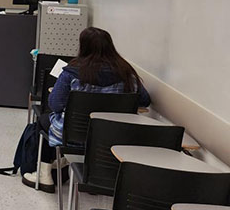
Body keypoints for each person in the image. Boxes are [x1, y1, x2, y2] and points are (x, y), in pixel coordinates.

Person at [24, 27, 152, 191]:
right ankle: (64, 164)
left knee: (43, 121)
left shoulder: (72, 72)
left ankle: (45, 175)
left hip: (73, 135)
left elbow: (55, 104)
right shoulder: (126, 73)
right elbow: (144, 100)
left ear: (83, 47)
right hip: (112, 136)